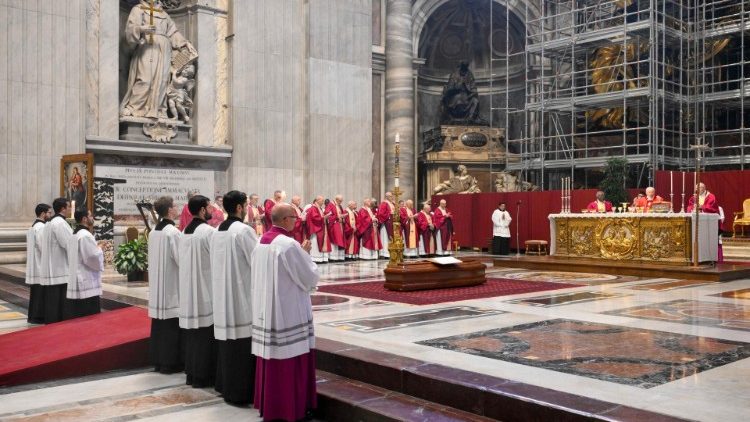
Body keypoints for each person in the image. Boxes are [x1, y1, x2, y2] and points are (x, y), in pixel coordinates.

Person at [252, 204, 318, 422]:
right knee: (291, 356)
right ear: (285, 219)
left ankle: (271, 406)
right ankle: (292, 408)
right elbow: (309, 277)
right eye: (294, 217)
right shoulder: (288, 245)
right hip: (288, 309)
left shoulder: (261, 242)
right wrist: (306, 254)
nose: (297, 221)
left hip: (267, 309)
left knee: (272, 357)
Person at [210, 190, 258, 406]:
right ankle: (240, 392)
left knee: (227, 345)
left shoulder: (217, 229)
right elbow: (256, 261)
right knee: (241, 346)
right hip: (240, 296)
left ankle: (225, 386)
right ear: (239, 207)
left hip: (221, 296)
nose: (247, 208)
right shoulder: (243, 231)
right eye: (246, 204)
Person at [120, 0, 193, 119]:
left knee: (162, 82)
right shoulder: (138, 9)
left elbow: (173, 33)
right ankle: (135, 107)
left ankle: (159, 110)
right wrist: (142, 29)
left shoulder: (164, 14)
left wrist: (185, 44)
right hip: (146, 47)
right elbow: (130, 29)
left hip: (164, 50)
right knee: (144, 79)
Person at [179, 195, 218, 388]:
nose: (212, 211)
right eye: (209, 208)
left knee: (194, 337)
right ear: (202, 210)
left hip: (189, 290)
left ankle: (192, 374)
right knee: (205, 336)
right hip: (205, 290)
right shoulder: (208, 232)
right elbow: (218, 261)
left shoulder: (185, 231)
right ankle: (204, 376)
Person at [147, 196, 184, 374]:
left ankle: (158, 361)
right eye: (175, 206)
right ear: (169, 210)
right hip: (171, 287)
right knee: (171, 326)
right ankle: (170, 362)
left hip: (157, 286)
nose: (177, 208)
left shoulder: (154, 231)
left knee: (160, 325)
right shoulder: (173, 233)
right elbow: (181, 259)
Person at [39, 198, 74, 324]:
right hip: (60, 267)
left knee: (52, 299)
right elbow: (68, 243)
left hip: (53, 266)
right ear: (63, 209)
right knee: (59, 300)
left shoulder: (51, 222)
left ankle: (52, 321)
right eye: (69, 206)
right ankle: (58, 323)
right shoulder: (60, 223)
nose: (70, 209)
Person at [64, 209, 103, 319]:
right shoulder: (85, 235)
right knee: (88, 314)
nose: (92, 218)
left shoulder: (75, 233)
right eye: (90, 215)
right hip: (86, 277)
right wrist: (100, 249)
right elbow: (91, 257)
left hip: (78, 274)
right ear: (84, 219)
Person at [25, 203, 52, 324]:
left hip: (35, 265)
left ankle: (33, 316)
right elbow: (43, 247)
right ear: (43, 214)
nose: (50, 215)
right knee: (40, 294)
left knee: (36, 293)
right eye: (49, 213)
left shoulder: (34, 226)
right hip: (41, 265)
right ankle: (39, 317)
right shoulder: (41, 227)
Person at [306, 196, 331, 263]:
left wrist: (324, 217)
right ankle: (315, 258)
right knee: (315, 243)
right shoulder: (313, 208)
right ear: (317, 200)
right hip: (316, 229)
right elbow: (315, 218)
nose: (323, 202)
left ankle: (320, 258)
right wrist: (323, 218)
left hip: (320, 227)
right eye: (322, 201)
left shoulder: (319, 208)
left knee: (320, 242)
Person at [326, 195, 347, 262]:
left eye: (341, 201)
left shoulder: (339, 206)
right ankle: (332, 257)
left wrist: (343, 217)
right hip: (334, 225)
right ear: (336, 199)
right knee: (334, 240)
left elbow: (341, 214)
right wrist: (337, 217)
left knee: (339, 240)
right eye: (340, 201)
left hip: (340, 225)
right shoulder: (330, 205)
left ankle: (338, 257)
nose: (341, 202)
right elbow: (328, 215)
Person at [377, 192, 396, 259]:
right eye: (390, 196)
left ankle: (391, 253)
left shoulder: (392, 204)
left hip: (392, 223)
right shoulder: (384, 203)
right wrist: (389, 216)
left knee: (391, 239)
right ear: (387, 197)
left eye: (392, 196)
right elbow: (381, 214)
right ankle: (385, 254)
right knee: (385, 239)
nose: (392, 197)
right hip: (386, 224)